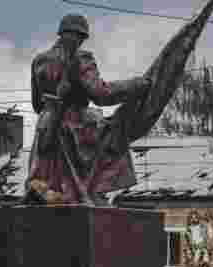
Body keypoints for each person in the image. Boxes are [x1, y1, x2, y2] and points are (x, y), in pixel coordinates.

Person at [26, 14, 152, 206]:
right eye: (82, 38)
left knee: (50, 190)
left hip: (44, 127)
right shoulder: (81, 59)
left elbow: (37, 104)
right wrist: (136, 85)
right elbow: (101, 94)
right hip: (73, 128)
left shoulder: (39, 61)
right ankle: (96, 190)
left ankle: (55, 191)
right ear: (80, 36)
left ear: (61, 33)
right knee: (115, 134)